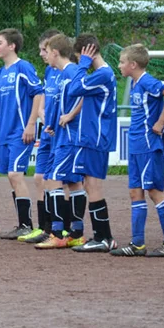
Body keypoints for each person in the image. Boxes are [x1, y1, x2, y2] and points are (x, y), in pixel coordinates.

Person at [114, 43, 164, 257]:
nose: (119, 65)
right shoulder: (135, 84)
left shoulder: (147, 82)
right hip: (135, 146)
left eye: (122, 62)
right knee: (135, 192)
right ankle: (137, 244)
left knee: (153, 191)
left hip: (148, 145)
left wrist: (160, 122)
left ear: (133, 65)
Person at [66, 34, 118, 253]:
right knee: (89, 184)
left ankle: (103, 237)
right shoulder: (101, 74)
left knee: (93, 185)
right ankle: (104, 237)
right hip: (93, 136)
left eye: (79, 57)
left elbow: (73, 89)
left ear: (87, 52)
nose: (79, 62)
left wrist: (83, 65)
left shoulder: (103, 74)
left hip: (96, 137)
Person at [34, 33, 87, 249]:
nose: (44, 55)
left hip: (71, 137)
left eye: (46, 51)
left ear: (55, 52)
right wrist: (53, 124)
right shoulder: (61, 73)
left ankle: (57, 232)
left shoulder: (72, 71)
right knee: (73, 182)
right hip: (61, 135)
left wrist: (71, 115)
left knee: (53, 179)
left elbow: (85, 94)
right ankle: (77, 231)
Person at [0, 28, 44, 240]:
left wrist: (31, 124)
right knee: (11, 177)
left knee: (16, 174)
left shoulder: (23, 67)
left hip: (21, 131)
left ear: (12, 46)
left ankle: (27, 224)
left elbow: (38, 93)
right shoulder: (1, 72)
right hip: (5, 133)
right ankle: (22, 223)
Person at [19, 30, 61, 244]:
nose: (41, 54)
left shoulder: (66, 71)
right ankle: (44, 227)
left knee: (58, 182)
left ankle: (62, 227)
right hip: (46, 132)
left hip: (59, 134)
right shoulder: (49, 71)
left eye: (44, 50)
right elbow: (44, 96)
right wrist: (41, 114)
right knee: (39, 178)